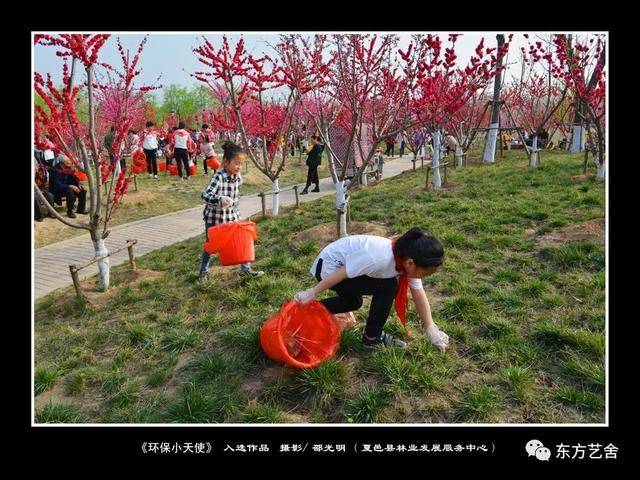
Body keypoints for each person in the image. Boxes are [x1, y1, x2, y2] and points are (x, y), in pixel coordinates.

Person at [294, 227, 450, 350]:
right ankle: (372, 337)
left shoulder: (404, 258)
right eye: (426, 273)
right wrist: (312, 292)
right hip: (329, 268)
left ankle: (313, 310)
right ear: (410, 263)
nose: (425, 277)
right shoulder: (378, 258)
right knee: (388, 286)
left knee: (353, 302)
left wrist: (430, 328)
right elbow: (341, 273)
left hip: (345, 267)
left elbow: (419, 294)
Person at [199, 142, 265, 282]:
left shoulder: (238, 178)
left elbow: (235, 197)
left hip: (232, 216)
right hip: (214, 219)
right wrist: (219, 199)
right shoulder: (219, 177)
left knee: (242, 240)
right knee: (211, 246)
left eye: (241, 164)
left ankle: (245, 269)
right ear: (225, 162)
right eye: (236, 163)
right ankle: (203, 273)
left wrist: (235, 213)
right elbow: (205, 194)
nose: (239, 167)